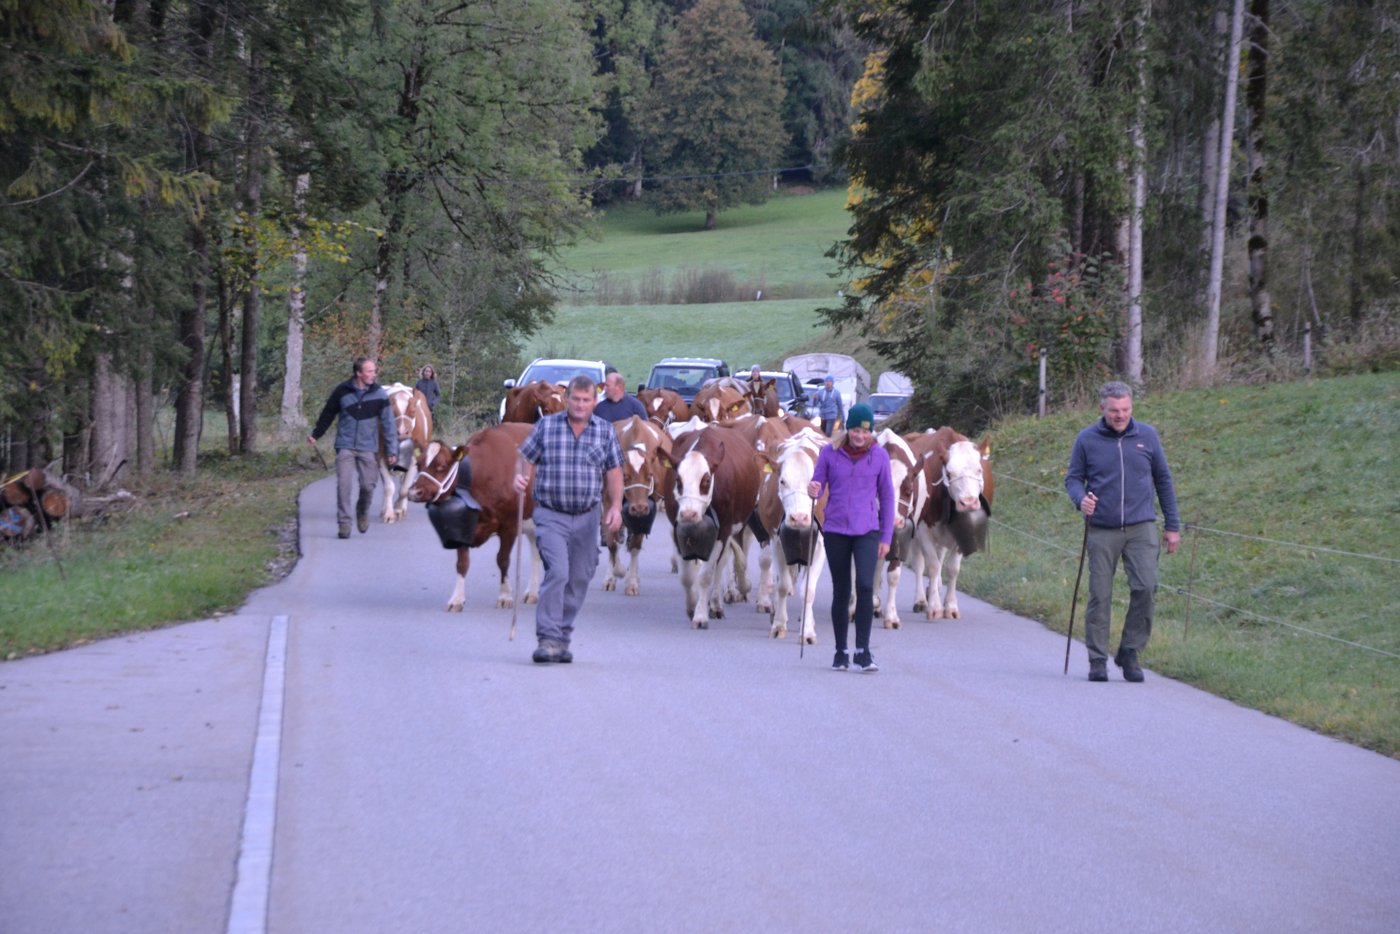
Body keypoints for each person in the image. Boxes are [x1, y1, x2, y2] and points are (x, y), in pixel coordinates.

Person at [1065, 381, 1181, 683]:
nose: (1121, 415)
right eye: (1115, 410)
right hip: (1102, 529)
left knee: (1146, 587)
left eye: (1126, 409)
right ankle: (1097, 659)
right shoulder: (1086, 439)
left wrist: (1172, 526)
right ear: (1102, 408)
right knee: (1100, 594)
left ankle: (1130, 651)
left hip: (1142, 526)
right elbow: (1073, 479)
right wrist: (1082, 500)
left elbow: (1164, 481)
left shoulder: (1148, 436)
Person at [514, 375, 624, 664]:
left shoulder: (604, 432)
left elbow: (614, 472)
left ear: (594, 402)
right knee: (558, 572)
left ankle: (561, 636)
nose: (580, 405)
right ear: (568, 399)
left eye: (586, 400)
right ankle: (548, 637)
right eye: (575, 399)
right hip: (551, 514)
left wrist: (615, 507)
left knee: (580, 576)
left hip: (587, 516)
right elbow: (526, 457)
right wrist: (520, 477)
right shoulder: (547, 427)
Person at [807, 403, 895, 673]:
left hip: (867, 531)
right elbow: (817, 485)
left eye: (865, 432)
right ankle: (841, 651)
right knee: (842, 590)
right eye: (856, 430)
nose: (860, 436)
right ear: (848, 429)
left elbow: (888, 497)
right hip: (835, 530)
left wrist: (886, 535)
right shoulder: (829, 453)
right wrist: (813, 489)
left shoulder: (879, 457)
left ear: (871, 433)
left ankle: (863, 652)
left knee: (866, 587)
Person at [308, 357, 397, 539]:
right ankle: (344, 524)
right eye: (370, 371)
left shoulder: (380, 394)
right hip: (345, 445)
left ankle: (362, 511)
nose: (374, 374)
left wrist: (392, 450)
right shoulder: (342, 391)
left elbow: (388, 424)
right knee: (344, 485)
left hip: (368, 447)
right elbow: (328, 413)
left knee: (368, 486)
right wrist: (316, 434)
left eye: (374, 371)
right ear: (359, 373)